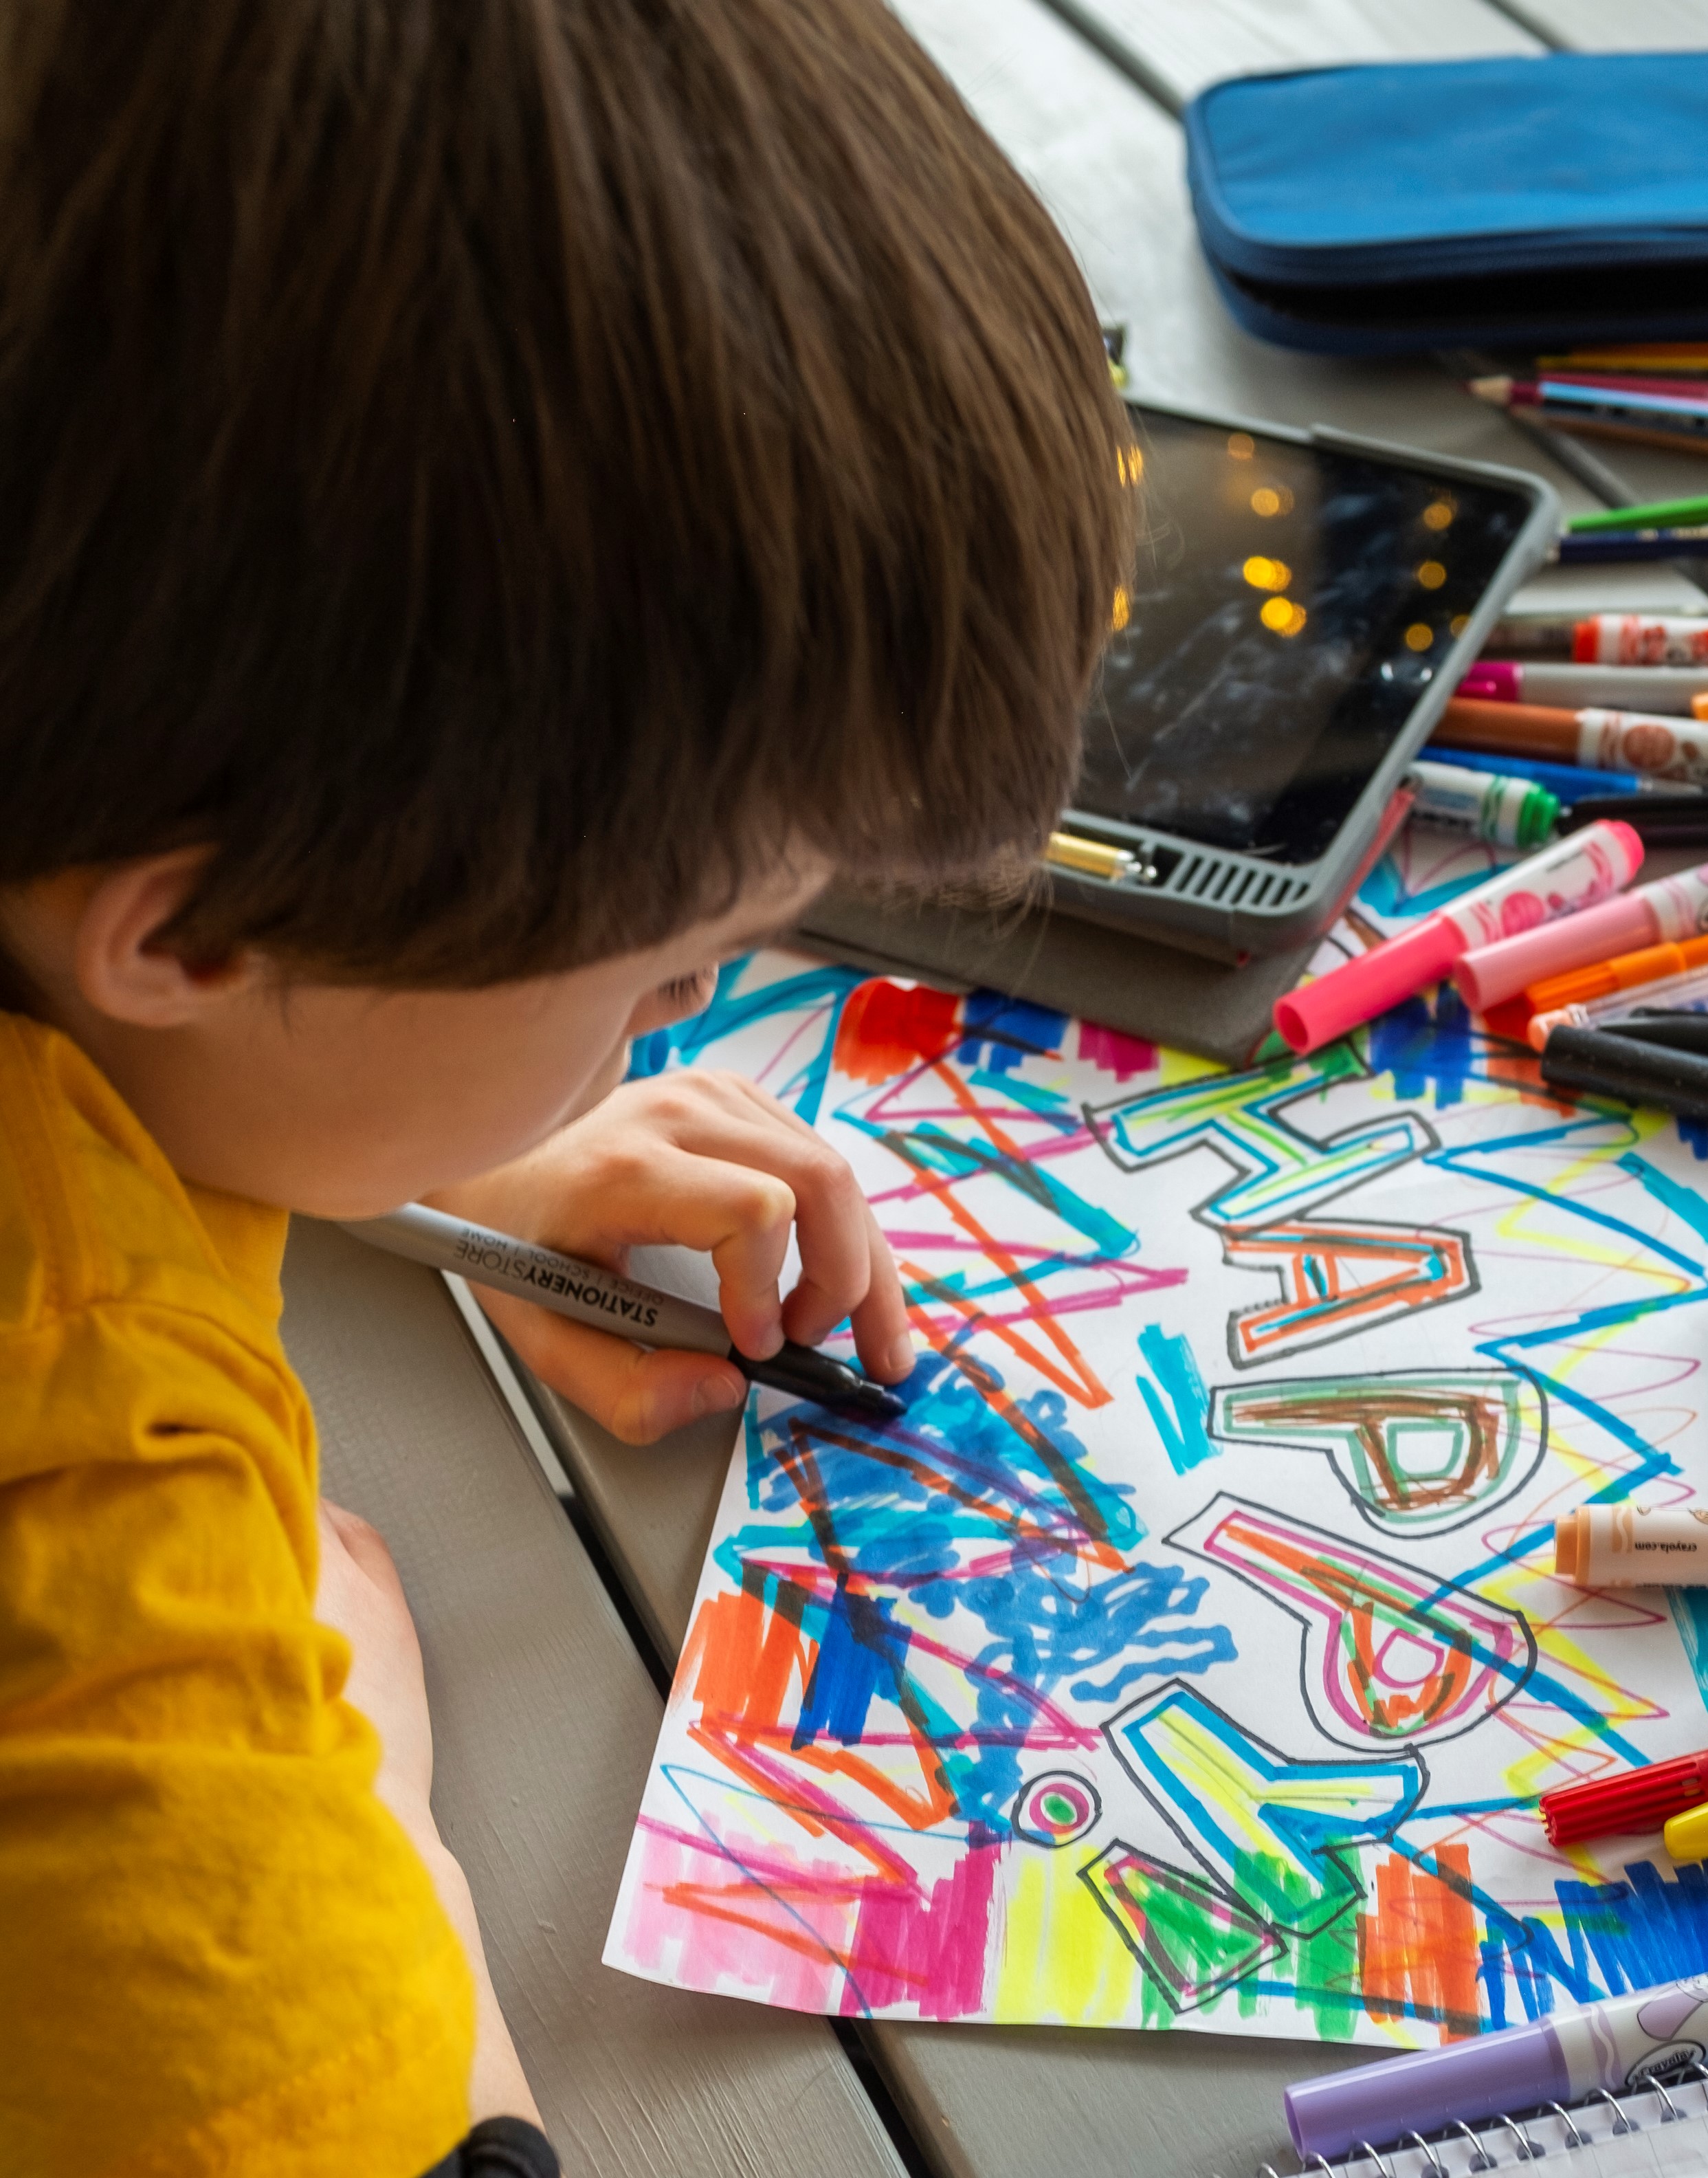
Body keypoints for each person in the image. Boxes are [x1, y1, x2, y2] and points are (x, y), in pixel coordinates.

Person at [0, 0, 1132, 2167]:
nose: (676, 1021)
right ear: (198, 942)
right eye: (660, 973)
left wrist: (410, 1152)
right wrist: (372, 1835)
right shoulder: (92, 1576)